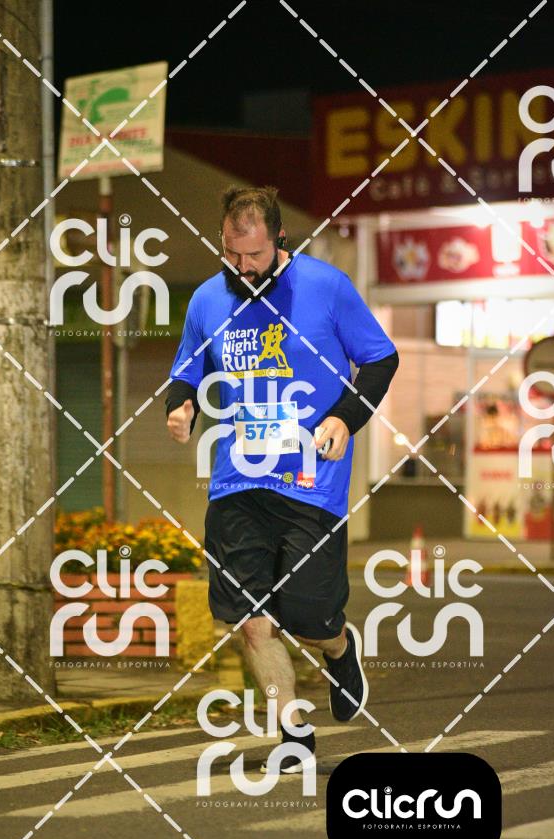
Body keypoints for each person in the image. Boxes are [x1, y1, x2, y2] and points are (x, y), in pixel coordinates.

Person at [166, 186, 398, 771]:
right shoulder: (208, 299)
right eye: (231, 254)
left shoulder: (325, 287)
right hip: (237, 481)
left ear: (279, 241)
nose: (242, 267)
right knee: (252, 621)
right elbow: (188, 367)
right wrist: (182, 404)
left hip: (311, 480)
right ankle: (293, 732)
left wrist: (344, 418)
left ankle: (339, 648)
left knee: (308, 615)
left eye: (254, 255)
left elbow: (380, 358)